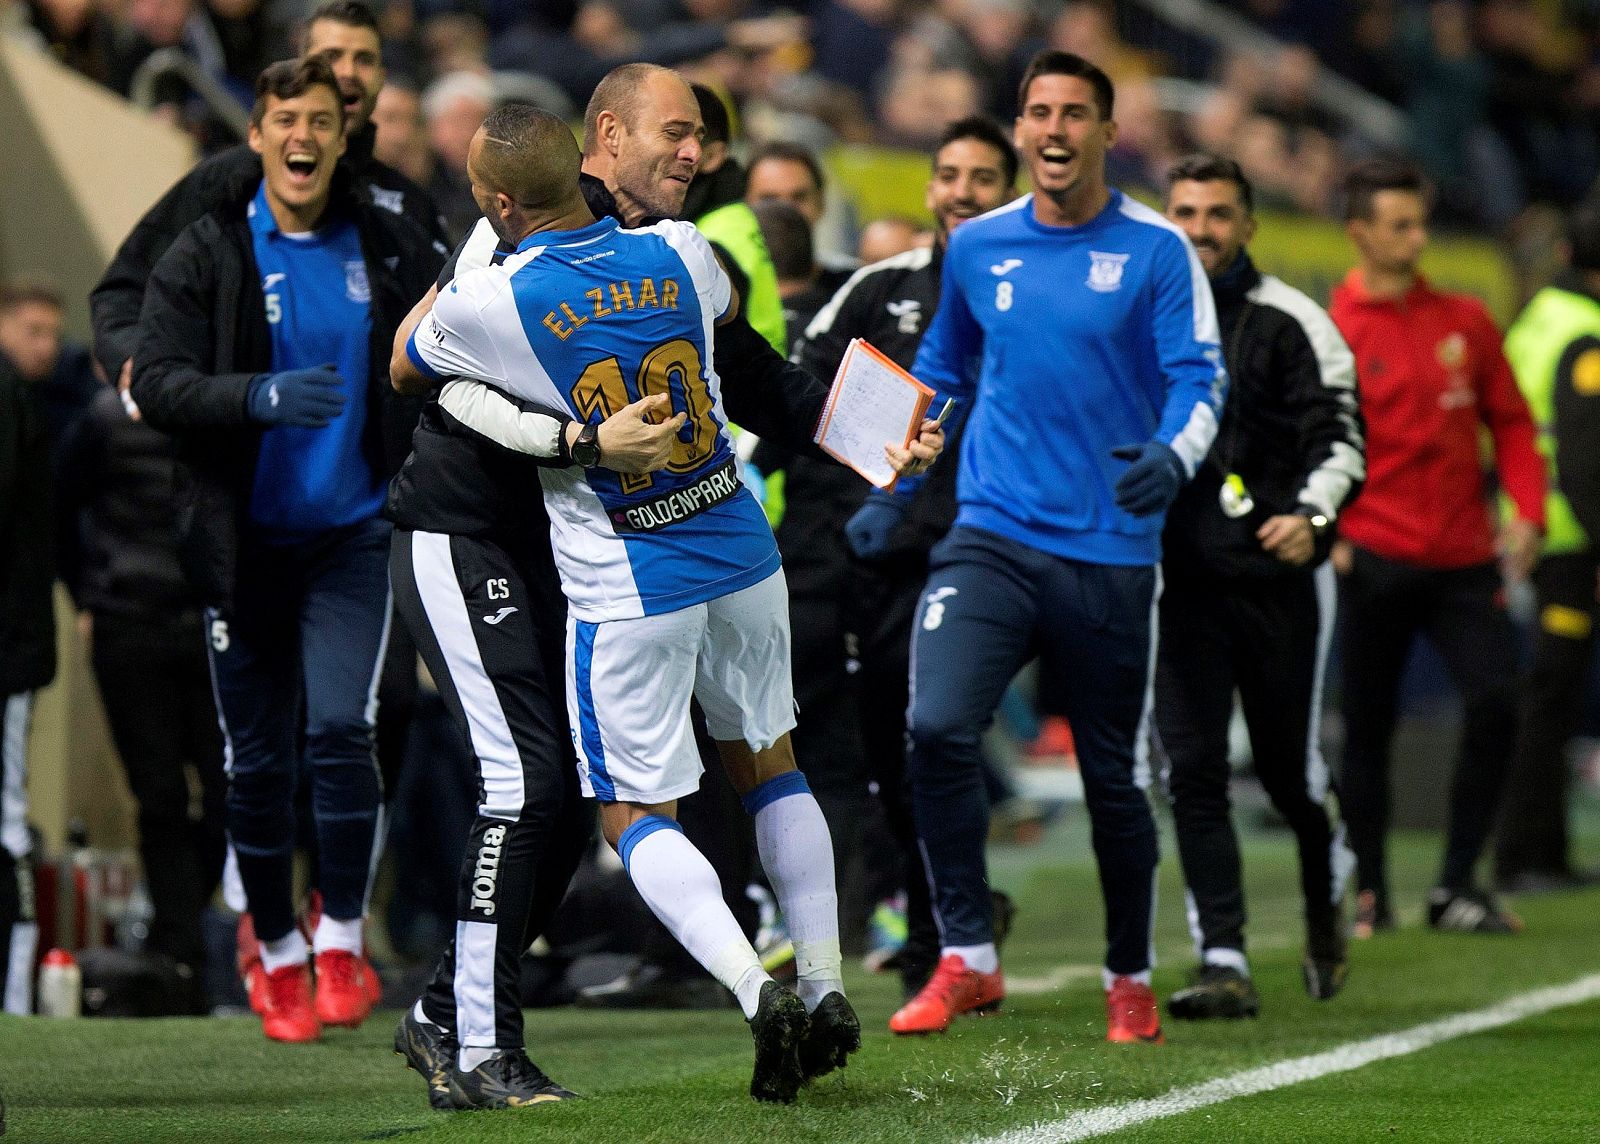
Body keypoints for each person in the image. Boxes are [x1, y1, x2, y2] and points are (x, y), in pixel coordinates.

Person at [383, 63, 942, 1105]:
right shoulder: (538, 248)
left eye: (705, 142)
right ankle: (472, 1042)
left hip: (600, 538)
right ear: (603, 136)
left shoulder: (663, 247)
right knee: (535, 788)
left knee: (575, 798)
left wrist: (870, 435)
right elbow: (422, 373)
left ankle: (450, 1015)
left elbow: (757, 376)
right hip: (475, 535)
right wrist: (580, 434)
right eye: (676, 135)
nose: (698, 157)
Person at [852, 50, 1227, 1043]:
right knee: (934, 727)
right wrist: (892, 484)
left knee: (1110, 773)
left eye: (1074, 114)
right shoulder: (979, 248)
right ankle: (967, 956)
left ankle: (1128, 975)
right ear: (1020, 130)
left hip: (1110, 547)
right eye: (1038, 113)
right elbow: (942, 372)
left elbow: (1200, 379)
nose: (1053, 130)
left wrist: (1170, 455)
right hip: (992, 531)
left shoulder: (1154, 250)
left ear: (1108, 132)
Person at [130, 56, 445, 1043]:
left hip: (352, 535)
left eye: (320, 119)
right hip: (246, 547)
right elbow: (157, 382)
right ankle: (273, 953)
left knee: (341, 735)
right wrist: (256, 398)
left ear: (339, 136)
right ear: (258, 137)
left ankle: (341, 934)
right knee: (258, 765)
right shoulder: (208, 247)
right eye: (284, 121)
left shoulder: (383, 242)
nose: (302, 136)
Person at [779, 115, 1019, 996]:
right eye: (949, 173)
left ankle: (961, 931)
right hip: (886, 561)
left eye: (982, 177)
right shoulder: (879, 288)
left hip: (1002, 552)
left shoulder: (1030, 292)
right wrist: (868, 497)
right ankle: (939, 932)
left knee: (945, 739)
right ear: (930, 189)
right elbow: (799, 388)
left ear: (1010, 190)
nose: (961, 190)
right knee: (898, 752)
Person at [1156, 154, 1365, 1019]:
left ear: (1249, 225)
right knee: (1195, 771)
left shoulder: (1294, 321)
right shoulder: (1146, 319)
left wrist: (1310, 520)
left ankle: (1328, 890)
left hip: (1278, 583)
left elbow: (1343, 441)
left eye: (1218, 213)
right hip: (1182, 586)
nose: (1201, 228)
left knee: (1286, 776)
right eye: (1186, 212)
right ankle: (1224, 957)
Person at [1328, 159, 1544, 937]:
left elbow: (1513, 422)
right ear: (1359, 234)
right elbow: (1304, 442)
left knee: (1496, 703)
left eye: (1420, 222)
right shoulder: (1331, 330)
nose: (1418, 237)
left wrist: (1525, 511)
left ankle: (1456, 884)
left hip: (1462, 557)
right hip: (1372, 553)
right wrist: (1329, 533)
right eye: (1400, 225)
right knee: (1367, 726)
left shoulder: (1465, 321)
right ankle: (1371, 893)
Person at [91, 0, 446, 391]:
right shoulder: (229, 179)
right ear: (302, 65)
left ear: (381, 76)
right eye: (331, 56)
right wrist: (133, 360)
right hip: (237, 433)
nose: (347, 72)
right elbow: (125, 287)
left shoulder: (409, 205)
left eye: (363, 59)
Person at [56, 379, 226, 1010]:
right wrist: (88, 597)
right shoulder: (102, 418)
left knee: (227, 792)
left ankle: (175, 935)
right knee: (158, 794)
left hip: (211, 623)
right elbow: (57, 507)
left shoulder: (218, 406)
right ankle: (181, 950)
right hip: (129, 620)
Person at [1495, 199, 1600, 894]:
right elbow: (1587, 452)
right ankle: (1524, 855)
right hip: (1572, 537)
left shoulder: (1536, 320)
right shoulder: (1586, 335)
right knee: (1549, 698)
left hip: (1533, 526)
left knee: (1549, 698)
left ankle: (1543, 853)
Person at [0, 281, 58, 1016]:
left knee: (9, 815)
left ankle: (15, 995)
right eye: (33, 329)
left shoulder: (14, 400)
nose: (47, 344)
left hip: (10, 649)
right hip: (16, 643)